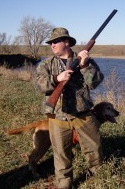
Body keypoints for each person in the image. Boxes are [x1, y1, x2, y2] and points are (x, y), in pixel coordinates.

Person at [34, 27, 104, 188]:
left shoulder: (84, 60)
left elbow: (95, 83)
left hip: (83, 114)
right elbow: (38, 86)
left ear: (66, 42)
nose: (52, 45)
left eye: (55, 41)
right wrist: (56, 78)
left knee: (94, 148)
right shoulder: (47, 64)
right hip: (58, 116)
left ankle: (99, 178)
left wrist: (85, 65)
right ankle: (64, 185)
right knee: (61, 155)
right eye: (50, 42)